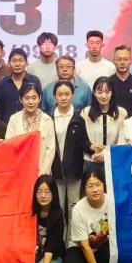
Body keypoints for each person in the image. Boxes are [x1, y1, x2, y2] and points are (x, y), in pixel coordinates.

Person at [62, 170, 111, 263]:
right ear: (84, 188)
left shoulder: (112, 201)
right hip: (80, 248)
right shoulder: (78, 209)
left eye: (98, 184)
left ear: (104, 185)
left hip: (102, 246)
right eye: (90, 186)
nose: (95, 190)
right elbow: (85, 247)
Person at [51, 80, 87, 218]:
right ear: (54, 96)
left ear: (72, 95)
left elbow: (85, 142)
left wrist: (92, 147)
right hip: (55, 169)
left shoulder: (79, 118)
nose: (63, 98)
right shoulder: (49, 118)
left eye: (67, 94)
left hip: (74, 170)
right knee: (58, 206)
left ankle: (73, 232)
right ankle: (60, 232)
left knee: (74, 206)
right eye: (60, 94)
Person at [6, 83, 57, 175]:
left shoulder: (47, 120)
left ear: (39, 98)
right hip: (18, 171)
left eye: (34, 98)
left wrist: (41, 174)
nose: (31, 102)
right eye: (26, 98)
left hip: (41, 172)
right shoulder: (14, 119)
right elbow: (9, 146)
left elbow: (50, 150)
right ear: (20, 99)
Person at [28, 175, 65, 263]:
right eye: (39, 192)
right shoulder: (31, 211)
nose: (42, 196)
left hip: (53, 255)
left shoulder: (57, 214)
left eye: (47, 192)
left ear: (53, 193)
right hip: (34, 252)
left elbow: (50, 248)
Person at [82, 77, 126, 175]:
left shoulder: (121, 113)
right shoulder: (85, 112)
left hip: (113, 161)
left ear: (112, 93)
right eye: (99, 92)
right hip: (90, 162)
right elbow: (81, 138)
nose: (103, 96)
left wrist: (107, 153)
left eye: (107, 92)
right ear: (94, 93)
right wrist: (91, 146)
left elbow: (123, 140)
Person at [0, 48, 43, 122]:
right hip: (6, 126)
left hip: (30, 125)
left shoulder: (34, 81)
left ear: (26, 62)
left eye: (21, 60)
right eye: (14, 61)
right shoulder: (1, 84)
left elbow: (39, 106)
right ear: (9, 63)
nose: (17, 64)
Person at [108, 44, 132, 116]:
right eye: (119, 59)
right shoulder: (107, 83)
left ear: (131, 61)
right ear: (114, 61)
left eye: (126, 59)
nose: (122, 63)